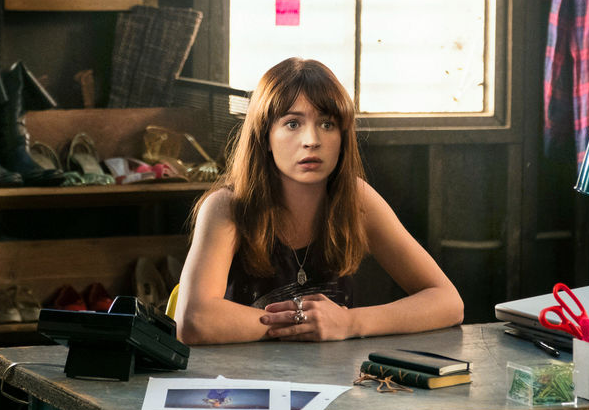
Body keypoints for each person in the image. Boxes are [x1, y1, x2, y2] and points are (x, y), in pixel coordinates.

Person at [175, 57, 463, 344]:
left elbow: (448, 302)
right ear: (265, 136)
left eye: (327, 124)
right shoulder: (227, 206)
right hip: (244, 372)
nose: (311, 140)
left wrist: (349, 322)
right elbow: (193, 320)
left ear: (343, 137)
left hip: (334, 371)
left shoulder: (357, 198)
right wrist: (307, 323)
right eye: (292, 124)